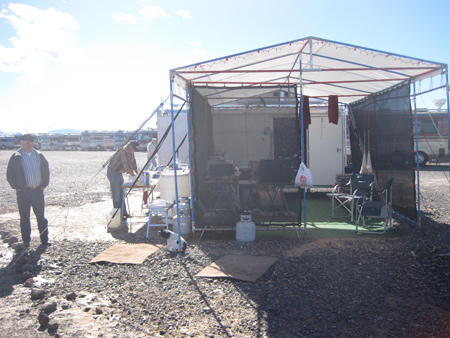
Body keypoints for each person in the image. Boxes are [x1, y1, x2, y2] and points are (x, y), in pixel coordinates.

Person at [6, 134, 51, 247]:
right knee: (25, 217)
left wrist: (44, 184)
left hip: (37, 192)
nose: (28, 144)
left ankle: (44, 240)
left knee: (41, 217)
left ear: (33, 144)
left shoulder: (39, 155)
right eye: (26, 142)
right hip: (23, 193)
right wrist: (17, 187)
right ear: (21, 143)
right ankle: (26, 241)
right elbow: (9, 174)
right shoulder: (16, 156)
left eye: (30, 142)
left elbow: (46, 170)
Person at [107, 141, 139, 218]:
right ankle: (118, 215)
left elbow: (133, 163)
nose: (134, 151)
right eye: (133, 149)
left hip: (119, 173)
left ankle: (124, 213)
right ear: (130, 147)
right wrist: (135, 177)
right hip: (113, 173)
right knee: (116, 195)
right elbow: (127, 167)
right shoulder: (123, 151)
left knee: (122, 194)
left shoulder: (130, 152)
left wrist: (138, 174)